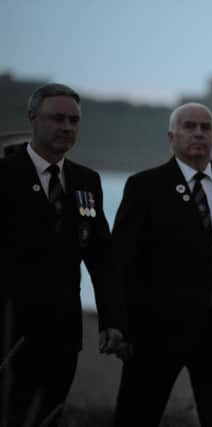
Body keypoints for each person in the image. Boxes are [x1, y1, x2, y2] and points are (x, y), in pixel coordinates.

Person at [112, 102, 212, 427]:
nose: (198, 134)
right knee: (136, 414)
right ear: (171, 136)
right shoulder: (145, 186)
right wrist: (120, 322)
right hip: (156, 330)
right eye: (190, 126)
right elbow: (121, 262)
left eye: (205, 128)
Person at [0, 83, 125, 427]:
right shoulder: (6, 175)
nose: (67, 127)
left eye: (73, 120)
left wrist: (112, 320)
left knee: (49, 417)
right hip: (10, 330)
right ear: (32, 119)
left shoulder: (86, 181)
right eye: (57, 118)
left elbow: (102, 258)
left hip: (62, 334)